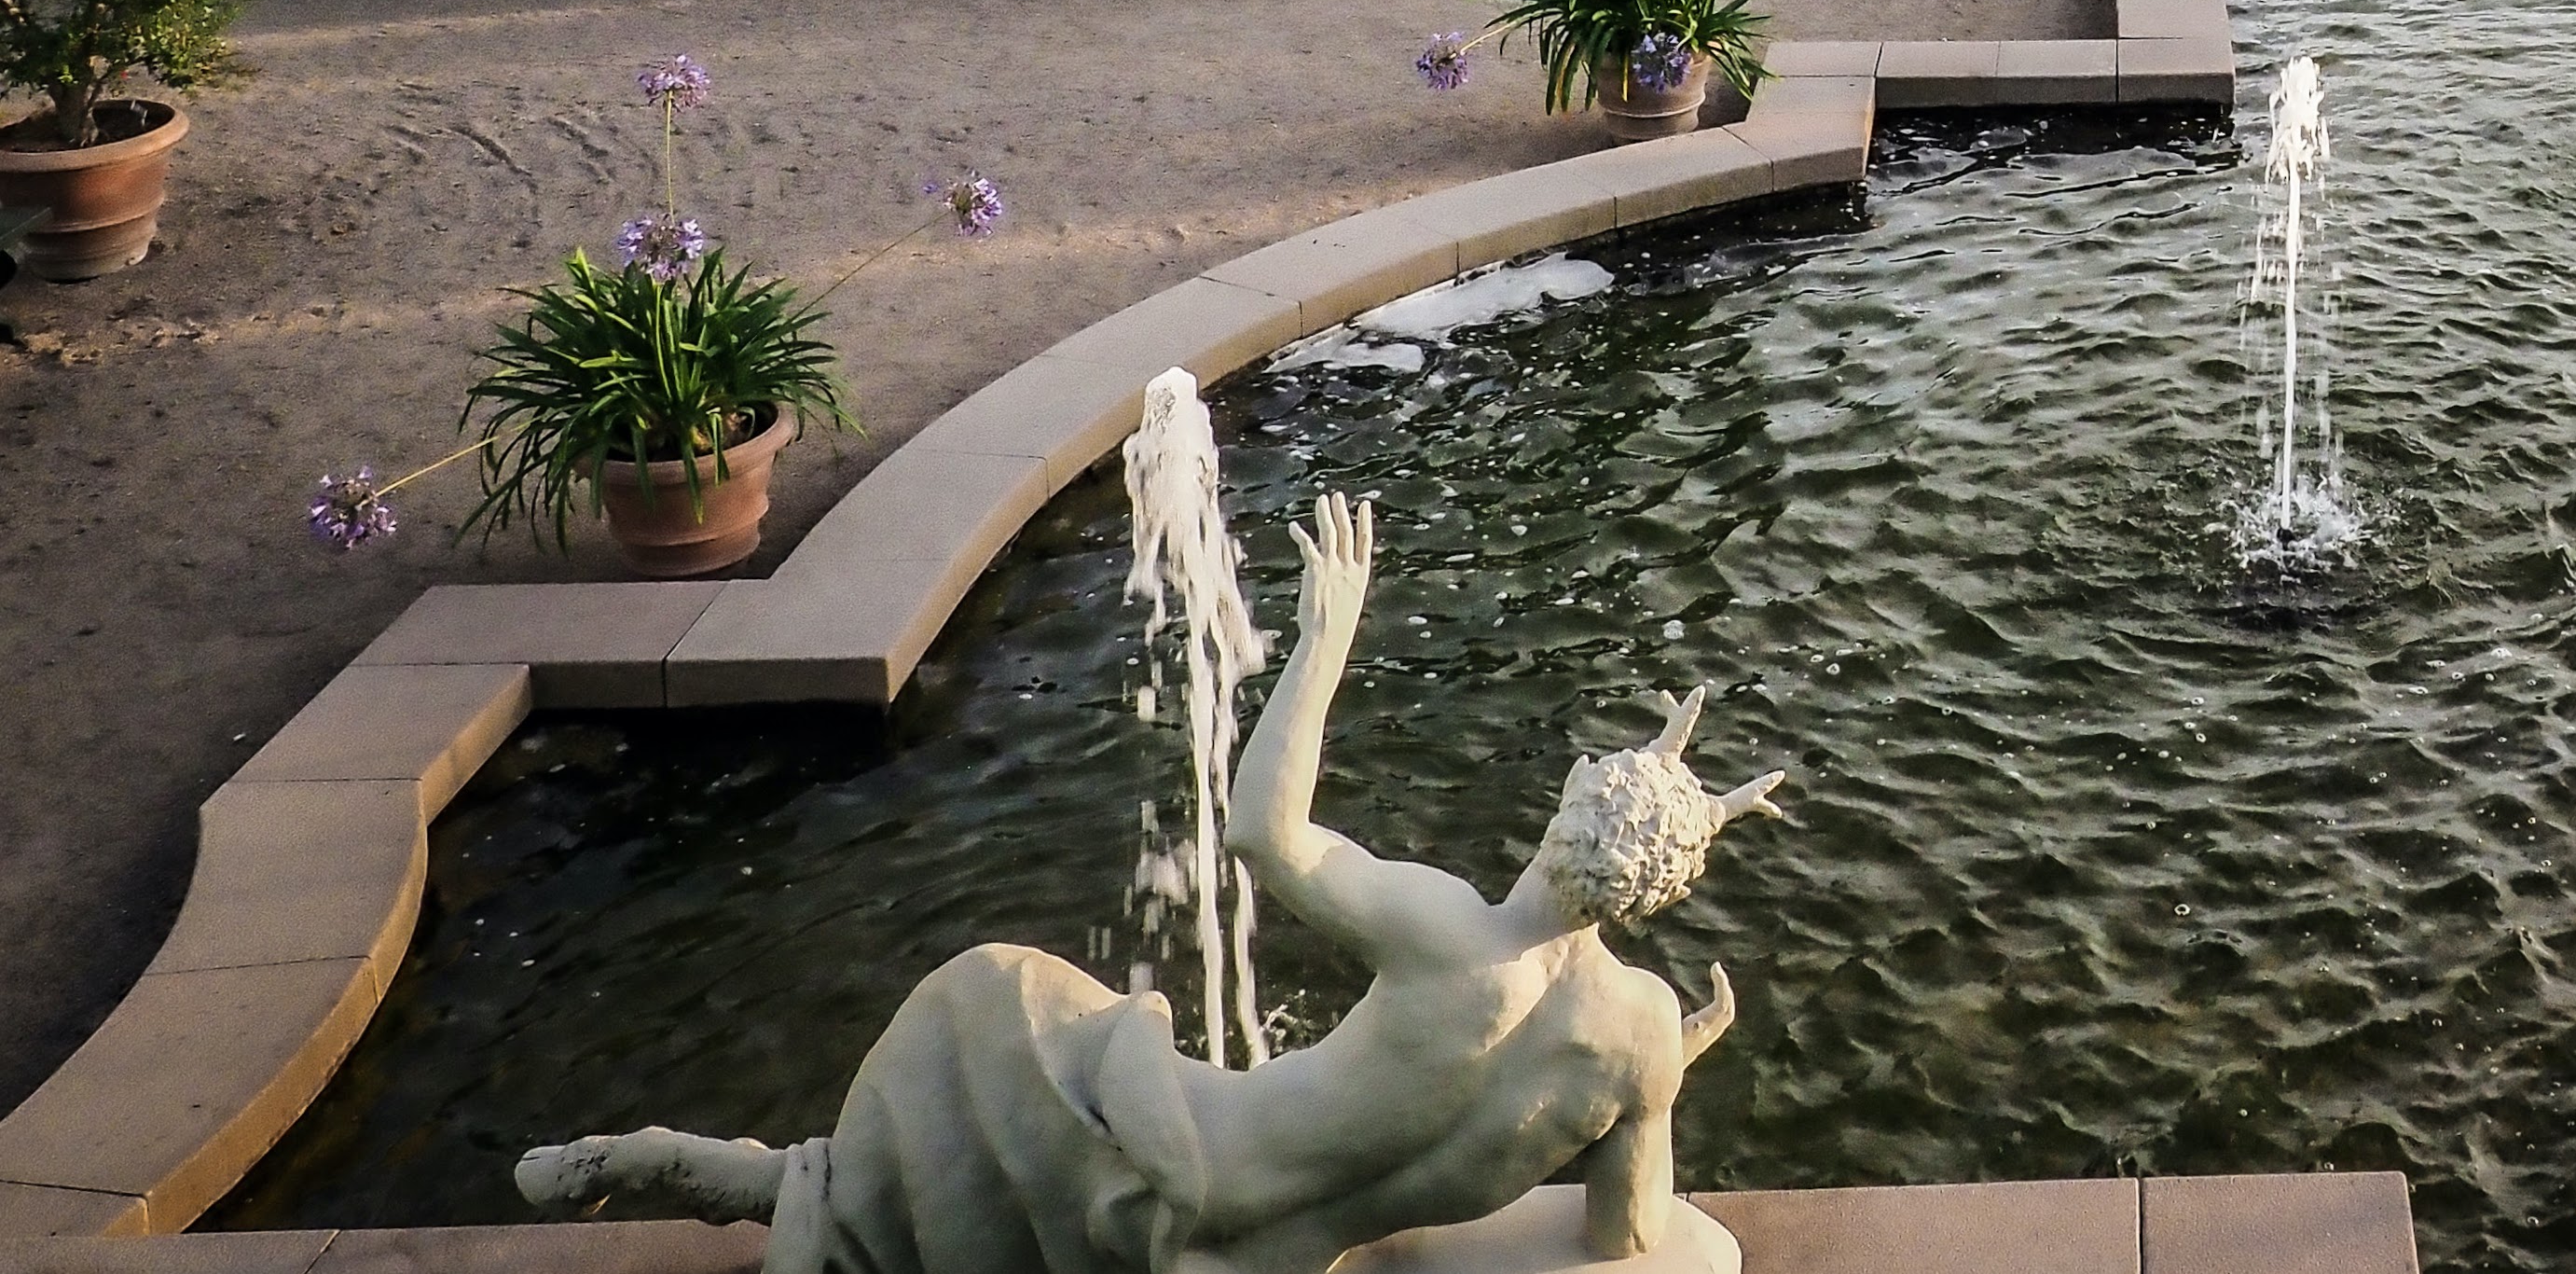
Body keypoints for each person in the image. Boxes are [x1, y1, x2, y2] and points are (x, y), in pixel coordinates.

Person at [519, 497, 1779, 1274]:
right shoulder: (1640, 1038)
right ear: (1654, 900)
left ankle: (686, 1167)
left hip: (1165, 1157)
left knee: (988, 999)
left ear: (1563, 810)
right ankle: (711, 1176)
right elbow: (1626, 1235)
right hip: (1253, 1259)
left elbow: (1259, 834)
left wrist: (1328, 634)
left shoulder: (1449, 931)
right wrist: (1656, 1078)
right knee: (908, 1188)